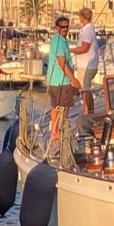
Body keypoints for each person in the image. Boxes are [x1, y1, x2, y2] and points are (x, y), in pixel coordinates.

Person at [46, 13, 79, 163]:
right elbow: (61, 61)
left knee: (63, 107)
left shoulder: (62, 40)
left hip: (61, 80)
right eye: (63, 27)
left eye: (67, 27)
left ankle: (58, 131)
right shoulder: (58, 41)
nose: (65, 29)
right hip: (60, 80)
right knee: (60, 107)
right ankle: (56, 134)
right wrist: (73, 78)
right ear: (56, 28)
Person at [72, 6, 102, 111]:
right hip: (87, 64)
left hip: (86, 65)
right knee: (86, 89)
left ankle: (86, 111)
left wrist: (70, 50)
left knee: (84, 89)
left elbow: (84, 48)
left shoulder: (87, 30)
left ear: (81, 17)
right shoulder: (89, 29)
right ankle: (90, 110)